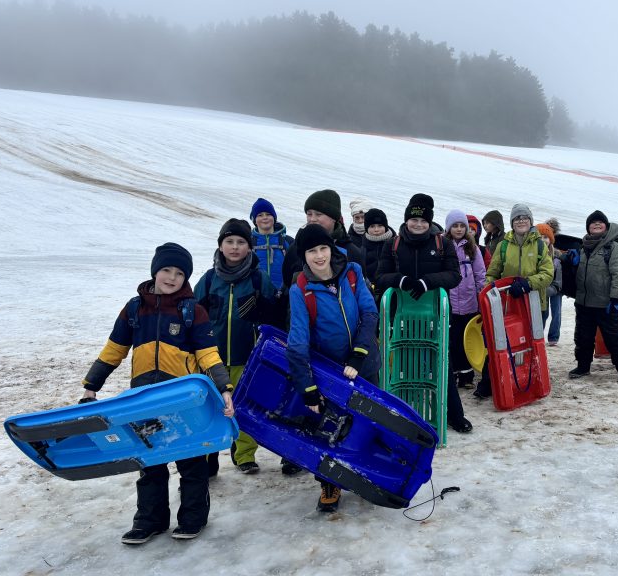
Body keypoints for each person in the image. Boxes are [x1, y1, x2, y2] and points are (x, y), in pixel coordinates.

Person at [80, 242, 234, 545]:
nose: (172, 277)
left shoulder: (193, 311)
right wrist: (90, 387)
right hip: (143, 402)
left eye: (179, 273)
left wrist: (224, 388)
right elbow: (113, 351)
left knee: (191, 461)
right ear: (155, 271)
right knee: (149, 461)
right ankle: (149, 521)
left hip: (182, 402)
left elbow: (208, 355)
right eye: (167, 270)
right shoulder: (135, 309)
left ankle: (193, 518)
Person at [286, 224, 382, 513]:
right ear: (304, 256)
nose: (319, 256)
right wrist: (308, 387)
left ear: (331, 248)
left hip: (364, 364)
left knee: (368, 421)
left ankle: (369, 474)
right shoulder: (300, 289)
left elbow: (369, 312)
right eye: (312, 251)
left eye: (323, 248)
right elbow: (298, 340)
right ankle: (329, 482)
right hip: (330, 369)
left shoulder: (352, 273)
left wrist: (359, 354)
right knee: (330, 426)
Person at [376, 195, 469, 432]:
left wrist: (427, 282)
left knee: (441, 363)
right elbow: (381, 276)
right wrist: (402, 280)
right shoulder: (393, 244)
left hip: (435, 316)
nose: (418, 224)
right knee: (404, 363)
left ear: (430, 222)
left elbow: (454, 275)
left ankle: (454, 415)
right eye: (414, 219)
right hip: (402, 316)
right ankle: (405, 414)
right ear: (406, 219)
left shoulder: (442, 244)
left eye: (423, 220)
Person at [194, 219, 272, 475]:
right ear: (220, 245)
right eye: (229, 241)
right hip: (211, 359)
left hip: (245, 356)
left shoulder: (259, 279)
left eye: (241, 242)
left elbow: (273, 316)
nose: (235, 247)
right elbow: (193, 315)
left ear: (249, 247)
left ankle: (245, 454)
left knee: (243, 406)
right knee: (209, 408)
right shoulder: (209, 279)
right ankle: (208, 457)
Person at [474, 204, 555, 398]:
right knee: (501, 342)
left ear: (530, 221)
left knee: (531, 344)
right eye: (517, 218)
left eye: (524, 217)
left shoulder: (539, 245)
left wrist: (528, 283)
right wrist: (490, 291)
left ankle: (530, 381)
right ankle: (490, 383)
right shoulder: (503, 245)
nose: (521, 221)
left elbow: (548, 274)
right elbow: (492, 273)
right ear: (512, 222)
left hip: (534, 305)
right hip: (508, 306)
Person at [566, 211, 618, 383]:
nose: (596, 224)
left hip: (606, 304)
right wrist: (571, 263)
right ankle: (583, 367)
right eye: (593, 222)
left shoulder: (613, 247)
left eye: (600, 222)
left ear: (606, 226)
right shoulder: (583, 247)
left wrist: (615, 299)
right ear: (588, 227)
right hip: (583, 302)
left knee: (614, 339)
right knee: (583, 337)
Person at [282, 189, 366, 293]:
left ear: (334, 218)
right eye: (309, 214)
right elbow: (287, 283)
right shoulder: (296, 247)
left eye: (318, 214)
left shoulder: (352, 252)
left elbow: (363, 291)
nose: (312, 219)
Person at [445, 209, 486, 398]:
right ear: (449, 228)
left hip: (469, 302)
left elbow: (480, 274)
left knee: (466, 340)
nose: (459, 229)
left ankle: (467, 376)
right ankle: (452, 373)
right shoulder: (443, 245)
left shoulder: (472, 247)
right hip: (451, 303)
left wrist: (480, 297)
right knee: (452, 340)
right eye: (455, 225)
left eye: (462, 226)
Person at [250, 197, 292, 328]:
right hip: (256, 301)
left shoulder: (288, 242)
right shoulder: (248, 243)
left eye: (268, 214)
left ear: (274, 217)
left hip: (284, 301)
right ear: (254, 220)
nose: (265, 218)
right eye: (260, 215)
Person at [536, 223, 563, 347]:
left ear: (551, 239)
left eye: (546, 237)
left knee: (556, 312)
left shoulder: (557, 256)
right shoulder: (534, 254)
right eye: (540, 237)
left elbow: (559, 277)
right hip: (542, 288)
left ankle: (553, 337)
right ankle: (539, 336)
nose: (543, 240)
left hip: (556, 288)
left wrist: (554, 288)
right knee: (543, 312)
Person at [360, 208, 395, 299]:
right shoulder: (362, 247)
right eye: (372, 226)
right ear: (366, 228)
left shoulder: (395, 244)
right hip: (369, 292)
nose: (376, 230)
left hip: (391, 292)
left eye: (380, 225)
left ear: (385, 226)